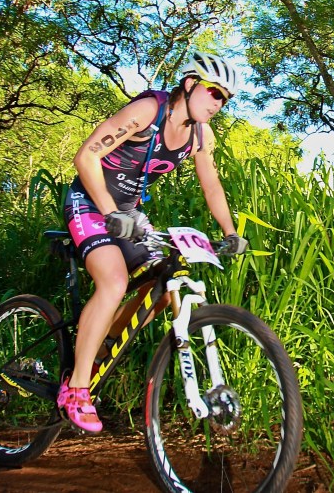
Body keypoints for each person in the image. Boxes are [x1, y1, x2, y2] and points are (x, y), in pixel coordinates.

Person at [58, 51, 248, 433]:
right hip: (90, 202)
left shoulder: (200, 135)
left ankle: (95, 347)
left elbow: (211, 186)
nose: (218, 104)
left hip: (127, 213)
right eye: (214, 92)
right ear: (191, 84)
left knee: (163, 287)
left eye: (225, 99)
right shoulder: (148, 110)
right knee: (113, 282)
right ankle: (76, 388)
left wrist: (230, 232)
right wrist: (112, 211)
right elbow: (86, 157)